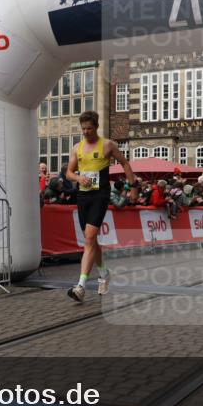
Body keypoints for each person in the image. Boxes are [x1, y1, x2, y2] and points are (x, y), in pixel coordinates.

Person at [66, 110, 137, 303]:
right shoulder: (77, 148)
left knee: (89, 239)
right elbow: (69, 173)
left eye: (89, 128)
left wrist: (133, 188)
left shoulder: (107, 145)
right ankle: (104, 273)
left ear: (96, 127)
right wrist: (79, 177)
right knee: (91, 240)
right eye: (83, 129)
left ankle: (80, 286)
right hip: (83, 195)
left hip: (100, 195)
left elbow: (125, 164)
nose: (86, 132)